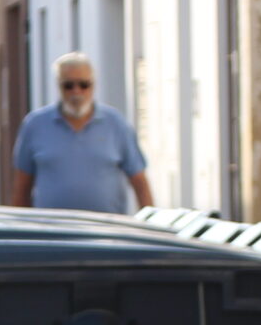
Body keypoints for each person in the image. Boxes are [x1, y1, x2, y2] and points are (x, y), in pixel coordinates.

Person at [9, 52, 153, 214]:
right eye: (68, 85)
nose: (76, 92)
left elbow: (140, 182)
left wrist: (148, 221)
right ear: (58, 86)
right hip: (50, 227)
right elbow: (22, 187)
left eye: (84, 85)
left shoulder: (116, 124)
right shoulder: (35, 125)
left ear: (93, 85)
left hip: (106, 227)